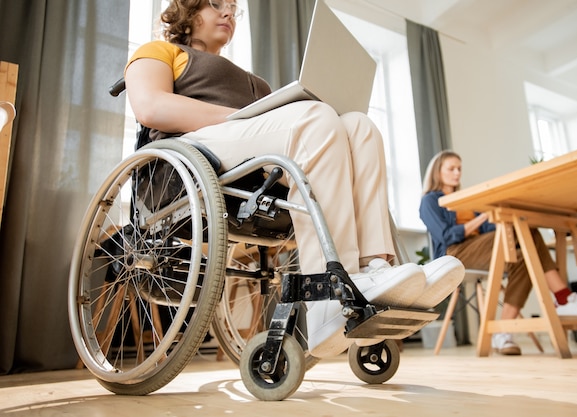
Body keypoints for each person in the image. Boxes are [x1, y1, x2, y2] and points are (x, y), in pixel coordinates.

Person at [124, 0, 465, 358]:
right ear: (187, 12)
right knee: (315, 119)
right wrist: (239, 118)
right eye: (215, 4)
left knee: (360, 127)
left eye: (232, 8)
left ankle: (373, 267)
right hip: (194, 152)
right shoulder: (160, 51)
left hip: (255, 164)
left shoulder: (254, 81)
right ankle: (328, 297)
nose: (228, 13)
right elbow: (150, 106)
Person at [419, 150, 577, 355]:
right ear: (437, 172)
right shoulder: (430, 200)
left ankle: (503, 333)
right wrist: (482, 217)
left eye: (459, 168)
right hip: (455, 254)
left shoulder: (466, 201)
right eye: (451, 168)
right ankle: (564, 297)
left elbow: (492, 229)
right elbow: (446, 235)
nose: (457, 173)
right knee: (526, 233)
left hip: (483, 247)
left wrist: (508, 214)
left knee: (526, 257)